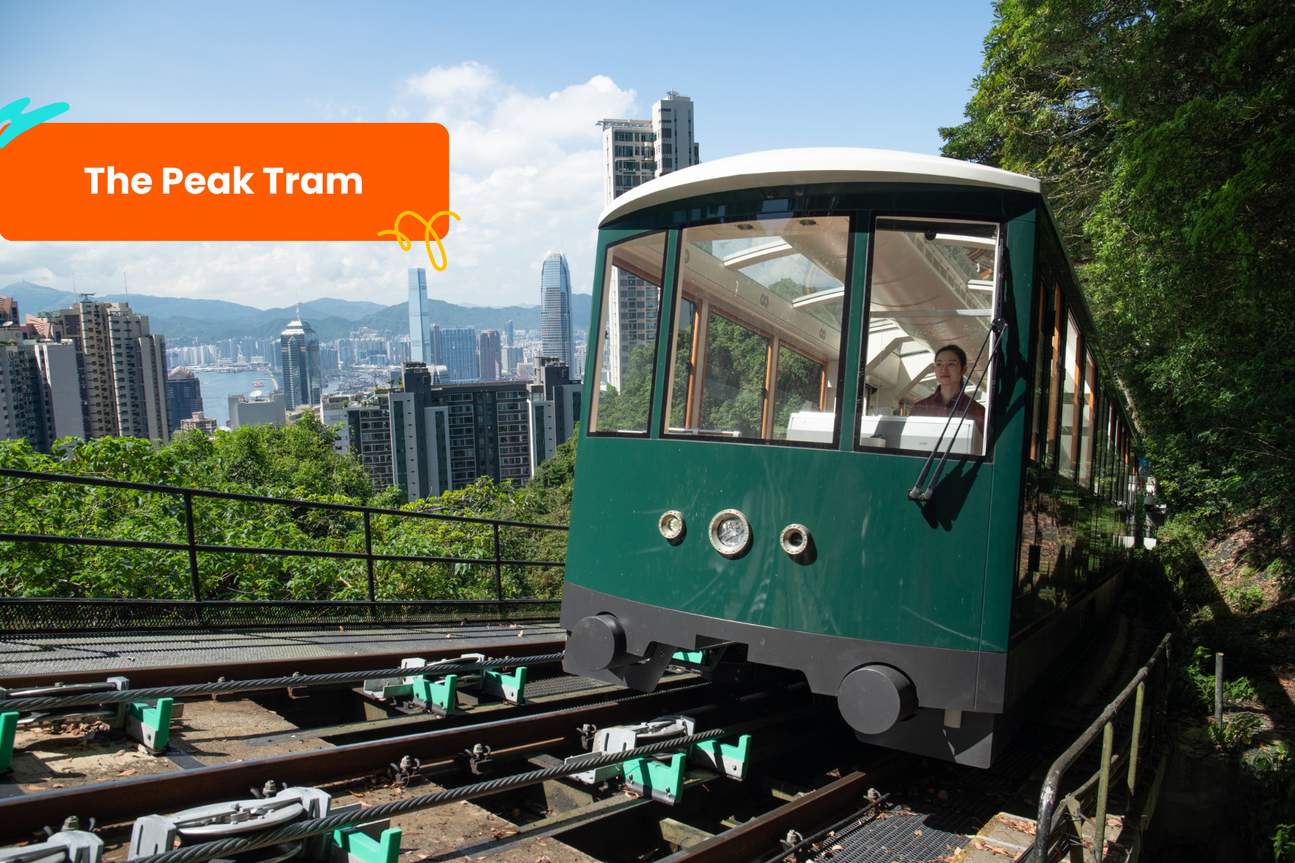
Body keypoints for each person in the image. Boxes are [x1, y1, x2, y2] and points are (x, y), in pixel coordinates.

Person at [910, 344, 986, 436]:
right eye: (939, 364)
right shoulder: (920, 408)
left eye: (951, 364)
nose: (943, 370)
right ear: (934, 369)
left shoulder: (978, 411)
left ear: (963, 369)